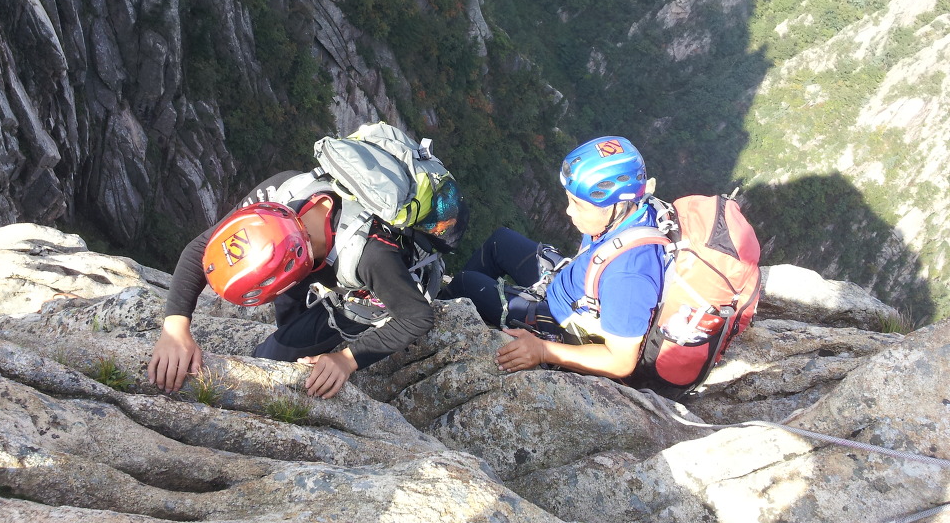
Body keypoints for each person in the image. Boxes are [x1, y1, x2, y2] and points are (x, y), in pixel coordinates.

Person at [147, 170, 437, 399]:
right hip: (321, 255)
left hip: (370, 293)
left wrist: (347, 360)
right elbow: (202, 248)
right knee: (288, 312)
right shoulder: (283, 190)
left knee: (269, 356)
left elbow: (417, 317)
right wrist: (175, 328)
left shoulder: (371, 258)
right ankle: (298, 331)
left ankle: (310, 335)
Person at [446, 136, 666, 382]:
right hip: (568, 288)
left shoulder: (629, 276)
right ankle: (477, 314)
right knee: (501, 241)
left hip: (562, 323)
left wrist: (542, 350)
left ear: (617, 205)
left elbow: (620, 361)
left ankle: (433, 325)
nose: (569, 211)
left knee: (465, 283)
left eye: (578, 204)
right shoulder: (633, 213)